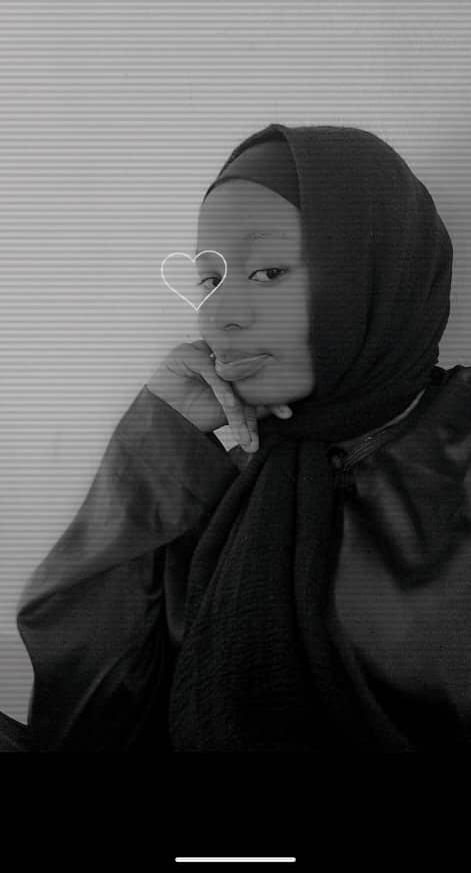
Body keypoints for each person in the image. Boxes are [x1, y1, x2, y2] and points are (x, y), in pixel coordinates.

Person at [1, 122, 470, 751]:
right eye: (210, 280)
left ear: (372, 269)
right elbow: (92, 711)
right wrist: (157, 437)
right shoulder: (235, 480)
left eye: (268, 271)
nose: (219, 315)